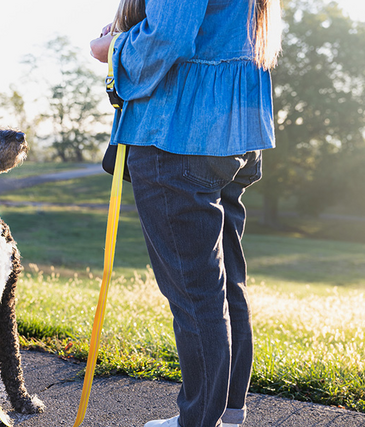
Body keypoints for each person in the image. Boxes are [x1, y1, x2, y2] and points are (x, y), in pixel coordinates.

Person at [90, 1, 281, 427]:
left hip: (176, 133)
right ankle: (227, 411)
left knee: (195, 292)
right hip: (234, 130)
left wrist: (112, 48)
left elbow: (168, 37)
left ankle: (198, 420)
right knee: (225, 281)